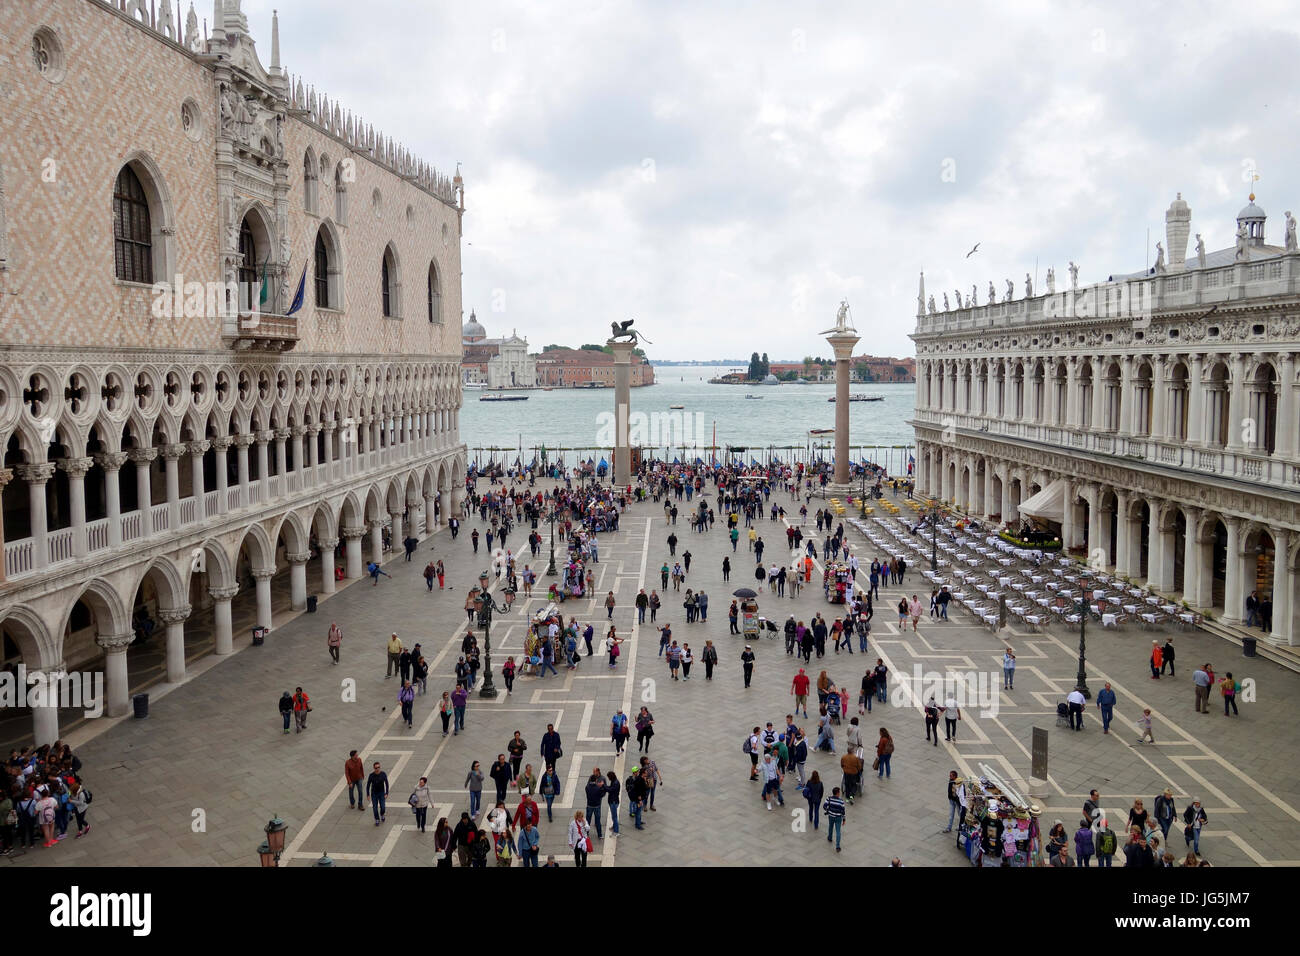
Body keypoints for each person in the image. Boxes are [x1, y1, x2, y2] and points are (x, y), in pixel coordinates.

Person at [824, 786, 847, 852]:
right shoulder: (841, 802)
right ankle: (837, 846)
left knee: (830, 827)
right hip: (838, 818)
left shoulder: (829, 799)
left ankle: (830, 838)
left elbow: (824, 806)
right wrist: (844, 819)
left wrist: (828, 810)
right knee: (838, 831)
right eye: (839, 792)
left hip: (831, 816)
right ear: (837, 793)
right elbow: (843, 811)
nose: (839, 793)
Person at [367, 761, 389, 826]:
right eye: (376, 768)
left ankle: (382, 814)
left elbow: (387, 784)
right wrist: (368, 794)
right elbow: (368, 785)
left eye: (379, 767)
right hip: (374, 793)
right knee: (375, 808)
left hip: (381, 793)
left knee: (383, 807)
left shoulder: (383, 774)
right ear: (374, 768)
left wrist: (386, 793)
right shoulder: (371, 775)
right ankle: (376, 819)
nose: (377, 769)